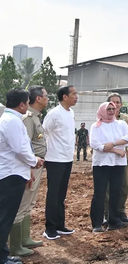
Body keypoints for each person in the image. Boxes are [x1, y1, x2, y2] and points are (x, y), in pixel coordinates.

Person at [0, 88, 43, 264]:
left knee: (4, 218)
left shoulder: (9, 120)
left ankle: (3, 254)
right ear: (22, 104)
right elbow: (20, 149)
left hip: (12, 173)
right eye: (27, 102)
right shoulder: (13, 122)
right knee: (4, 219)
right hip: (11, 175)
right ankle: (1, 261)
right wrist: (35, 161)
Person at [9, 87, 48, 257]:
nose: (47, 99)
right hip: (30, 165)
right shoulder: (27, 118)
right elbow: (25, 147)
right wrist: (30, 167)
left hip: (36, 165)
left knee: (29, 202)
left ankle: (24, 238)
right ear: (38, 98)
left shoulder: (35, 117)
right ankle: (16, 245)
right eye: (46, 96)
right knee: (23, 203)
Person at [89, 102, 128, 232]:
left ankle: (113, 220)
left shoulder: (121, 124)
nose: (111, 111)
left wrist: (112, 143)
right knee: (100, 193)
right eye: (108, 109)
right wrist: (116, 150)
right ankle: (97, 223)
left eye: (113, 109)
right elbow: (96, 145)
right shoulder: (96, 126)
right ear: (102, 110)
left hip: (118, 163)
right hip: (101, 164)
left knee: (116, 192)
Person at [42, 85, 78, 240]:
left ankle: (59, 224)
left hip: (67, 158)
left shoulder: (71, 112)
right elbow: (44, 133)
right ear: (65, 96)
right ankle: (49, 228)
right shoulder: (54, 114)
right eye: (74, 94)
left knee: (61, 194)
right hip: (54, 159)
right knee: (53, 194)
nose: (77, 96)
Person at [104, 93, 128, 224]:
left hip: (121, 157)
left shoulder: (125, 119)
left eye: (118, 102)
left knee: (123, 186)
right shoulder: (102, 118)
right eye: (113, 102)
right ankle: (107, 213)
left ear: (121, 105)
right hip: (107, 156)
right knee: (107, 187)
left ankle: (120, 211)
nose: (116, 105)